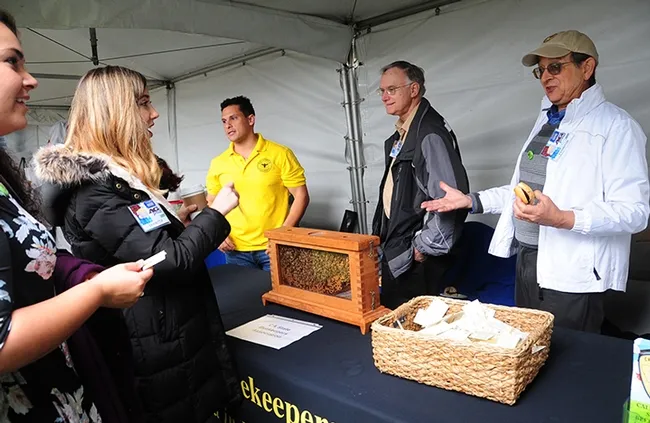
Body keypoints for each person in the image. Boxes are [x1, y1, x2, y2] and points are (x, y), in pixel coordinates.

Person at [34, 65, 242, 423]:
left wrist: (182, 224)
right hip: (153, 347)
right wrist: (217, 211)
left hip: (169, 334)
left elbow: (150, 242)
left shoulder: (120, 180)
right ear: (115, 112)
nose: (154, 112)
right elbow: (171, 260)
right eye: (144, 102)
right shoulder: (95, 190)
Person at [421, 30, 650, 332]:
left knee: (567, 364)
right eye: (540, 70)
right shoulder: (546, 122)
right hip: (528, 261)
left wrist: (563, 219)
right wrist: (470, 200)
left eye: (555, 67)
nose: (545, 77)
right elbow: (523, 192)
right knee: (532, 352)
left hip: (572, 273)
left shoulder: (617, 127)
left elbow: (635, 213)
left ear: (587, 67)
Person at [0, 10, 154, 422]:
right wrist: (97, 290)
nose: (30, 79)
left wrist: (83, 275)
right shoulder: (97, 185)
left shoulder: (5, 176)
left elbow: (35, 256)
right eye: (12, 61)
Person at [373, 61, 469, 309]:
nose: (384, 97)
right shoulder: (403, 133)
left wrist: (420, 250)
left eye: (391, 89)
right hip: (400, 252)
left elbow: (450, 201)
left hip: (416, 260)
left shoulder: (429, 133)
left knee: (415, 334)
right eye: (381, 91)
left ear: (414, 89)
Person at [206, 96, 309, 271]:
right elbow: (211, 203)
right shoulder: (218, 163)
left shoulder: (280, 154)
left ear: (251, 119)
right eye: (224, 121)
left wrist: (282, 235)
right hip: (236, 250)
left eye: (234, 118)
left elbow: (301, 195)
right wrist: (218, 234)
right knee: (243, 298)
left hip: (272, 248)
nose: (227, 125)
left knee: (277, 298)